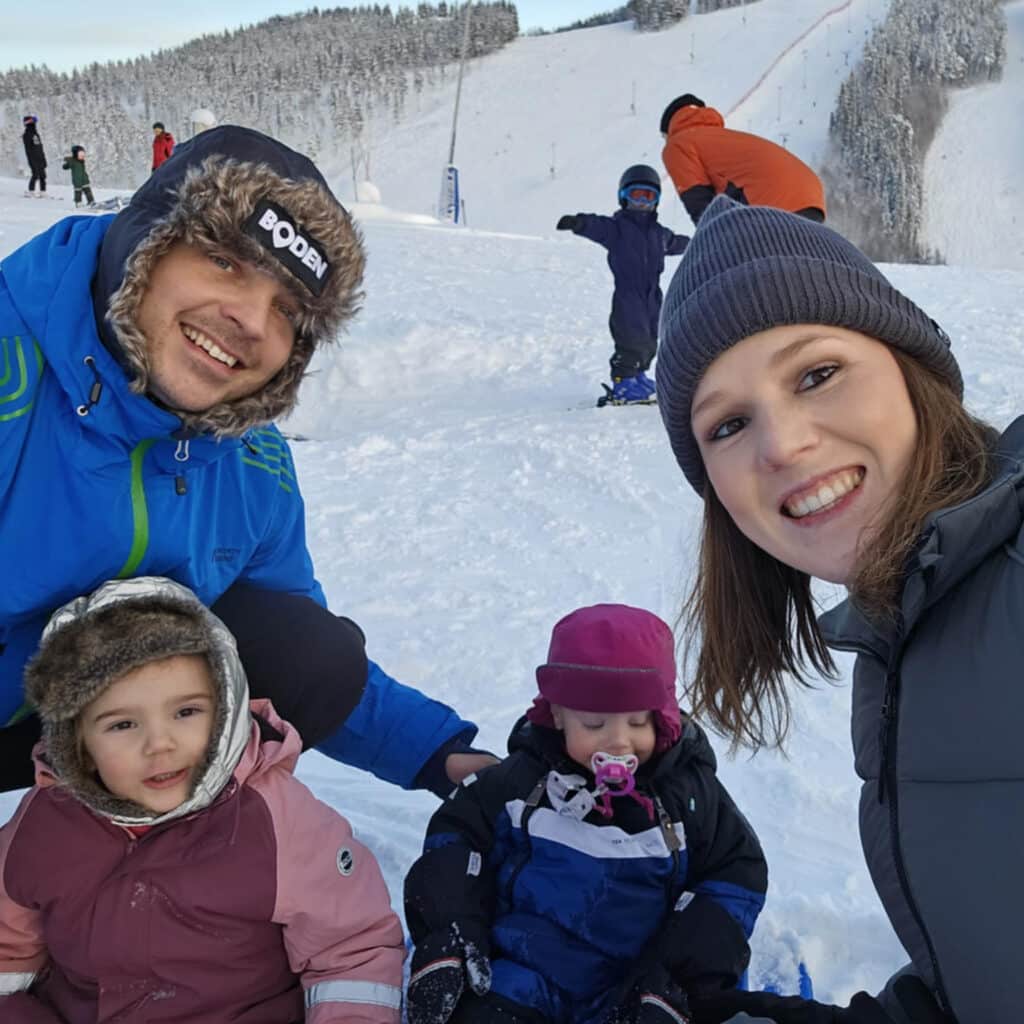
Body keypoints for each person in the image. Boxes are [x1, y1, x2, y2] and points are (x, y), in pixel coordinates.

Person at [0, 124, 494, 801]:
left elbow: (295, 647)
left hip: (76, 730)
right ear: (145, 242)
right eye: (226, 261)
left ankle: (130, 863)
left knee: (311, 657)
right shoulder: (11, 372)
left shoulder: (252, 460)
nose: (252, 323)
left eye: (288, 308)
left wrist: (438, 757)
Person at [655, 195, 1009, 1024]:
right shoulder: (907, 637)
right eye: (729, 424)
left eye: (817, 374)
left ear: (910, 367)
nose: (781, 445)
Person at [0, 576, 405, 1023]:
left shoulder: (275, 820)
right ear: (78, 741)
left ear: (225, 707)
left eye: (186, 712)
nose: (160, 744)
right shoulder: (45, 825)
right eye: (122, 725)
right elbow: (8, 945)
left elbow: (349, 949)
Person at [404, 603, 767, 1024]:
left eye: (637, 722)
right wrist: (451, 931)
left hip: (635, 986)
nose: (618, 741)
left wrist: (677, 978)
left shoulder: (688, 796)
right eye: (594, 725)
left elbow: (735, 876)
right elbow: (456, 838)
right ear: (558, 715)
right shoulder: (522, 781)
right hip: (525, 968)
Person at [557, 164, 689, 406]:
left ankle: (638, 376)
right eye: (636, 195)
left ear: (657, 200)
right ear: (623, 197)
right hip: (629, 296)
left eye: (648, 196)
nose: (642, 202)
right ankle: (623, 382)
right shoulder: (617, 228)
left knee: (650, 338)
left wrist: (696, 242)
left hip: (652, 296)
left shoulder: (659, 233)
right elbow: (596, 225)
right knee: (631, 337)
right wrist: (577, 223)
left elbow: (676, 243)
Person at [659, 95, 825, 227]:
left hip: (770, 200)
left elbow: (698, 201)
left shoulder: (679, 143)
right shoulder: (721, 139)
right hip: (811, 197)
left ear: (669, 130)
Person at [21, 115, 47, 196]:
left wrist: (43, 159)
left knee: (43, 175)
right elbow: (28, 149)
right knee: (35, 174)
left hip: (40, 157)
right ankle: (31, 191)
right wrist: (32, 159)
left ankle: (43, 191)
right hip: (33, 158)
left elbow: (40, 147)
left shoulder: (36, 134)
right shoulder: (27, 134)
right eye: (33, 122)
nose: (34, 124)